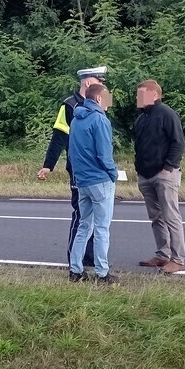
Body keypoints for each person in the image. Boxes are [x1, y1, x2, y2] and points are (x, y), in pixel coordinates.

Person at [37, 66, 107, 268]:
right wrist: (48, 166)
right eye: (99, 82)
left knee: (96, 216)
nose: (102, 86)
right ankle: (74, 259)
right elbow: (58, 137)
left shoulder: (98, 104)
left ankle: (90, 257)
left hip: (97, 170)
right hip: (78, 169)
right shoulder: (69, 105)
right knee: (82, 215)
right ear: (87, 83)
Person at [133, 79, 185, 274]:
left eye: (142, 94)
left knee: (171, 216)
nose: (138, 98)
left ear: (154, 95)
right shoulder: (141, 118)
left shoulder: (167, 114)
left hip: (164, 174)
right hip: (145, 174)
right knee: (156, 217)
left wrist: (168, 167)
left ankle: (178, 259)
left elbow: (178, 143)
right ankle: (162, 255)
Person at [67, 84, 118, 284]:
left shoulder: (76, 120)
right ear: (98, 99)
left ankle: (75, 270)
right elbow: (104, 153)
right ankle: (102, 272)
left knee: (83, 226)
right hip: (100, 179)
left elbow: (72, 152)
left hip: (82, 180)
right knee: (102, 228)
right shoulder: (100, 120)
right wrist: (113, 174)